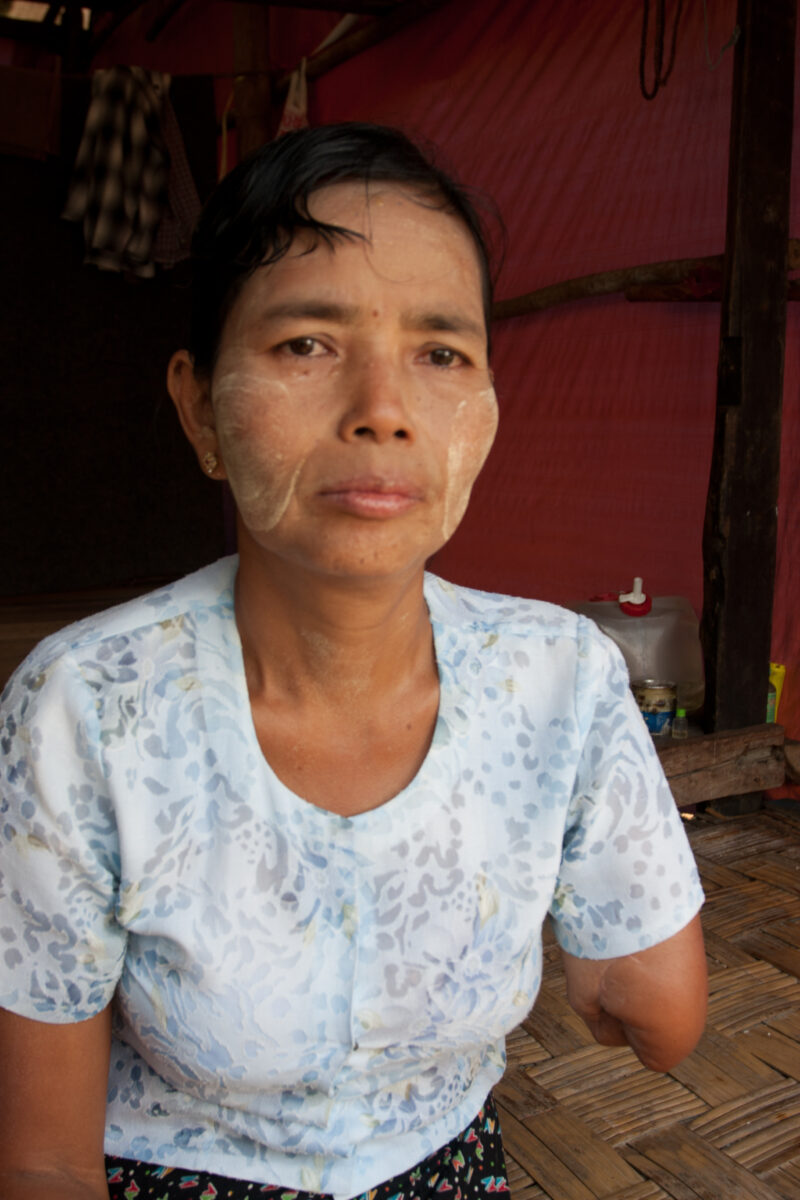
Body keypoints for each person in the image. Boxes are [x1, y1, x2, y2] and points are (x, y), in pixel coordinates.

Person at [0, 123, 707, 1200]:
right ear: (199, 408)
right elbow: (46, 1161)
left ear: (484, 414)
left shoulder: (560, 675)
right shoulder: (86, 706)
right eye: (306, 345)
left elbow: (662, 1014)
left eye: (439, 353)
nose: (382, 410)